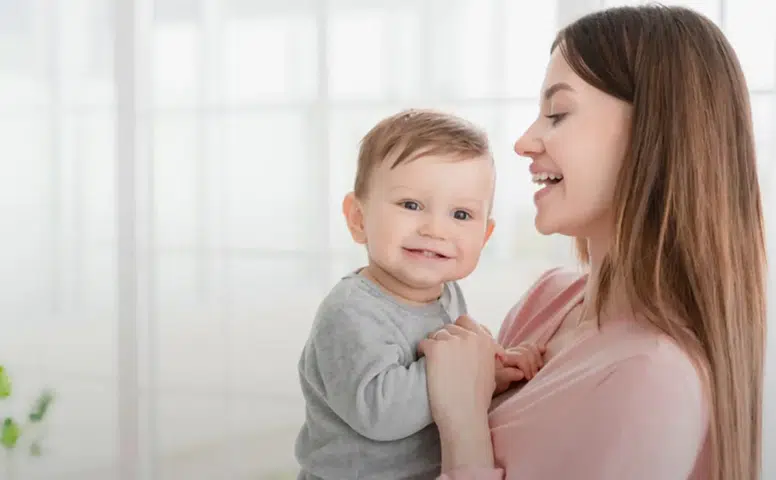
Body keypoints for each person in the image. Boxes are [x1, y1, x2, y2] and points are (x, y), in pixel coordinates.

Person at [419, 5, 766, 480]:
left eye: (558, 114)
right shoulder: (548, 299)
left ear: (653, 132)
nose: (523, 142)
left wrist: (461, 424)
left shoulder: (654, 378)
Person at [294, 109, 544, 479]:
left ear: (484, 237)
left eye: (460, 215)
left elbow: (455, 372)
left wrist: (494, 369)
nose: (435, 229)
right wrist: (473, 374)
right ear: (358, 219)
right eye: (411, 205)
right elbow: (380, 413)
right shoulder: (351, 313)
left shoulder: (447, 293)